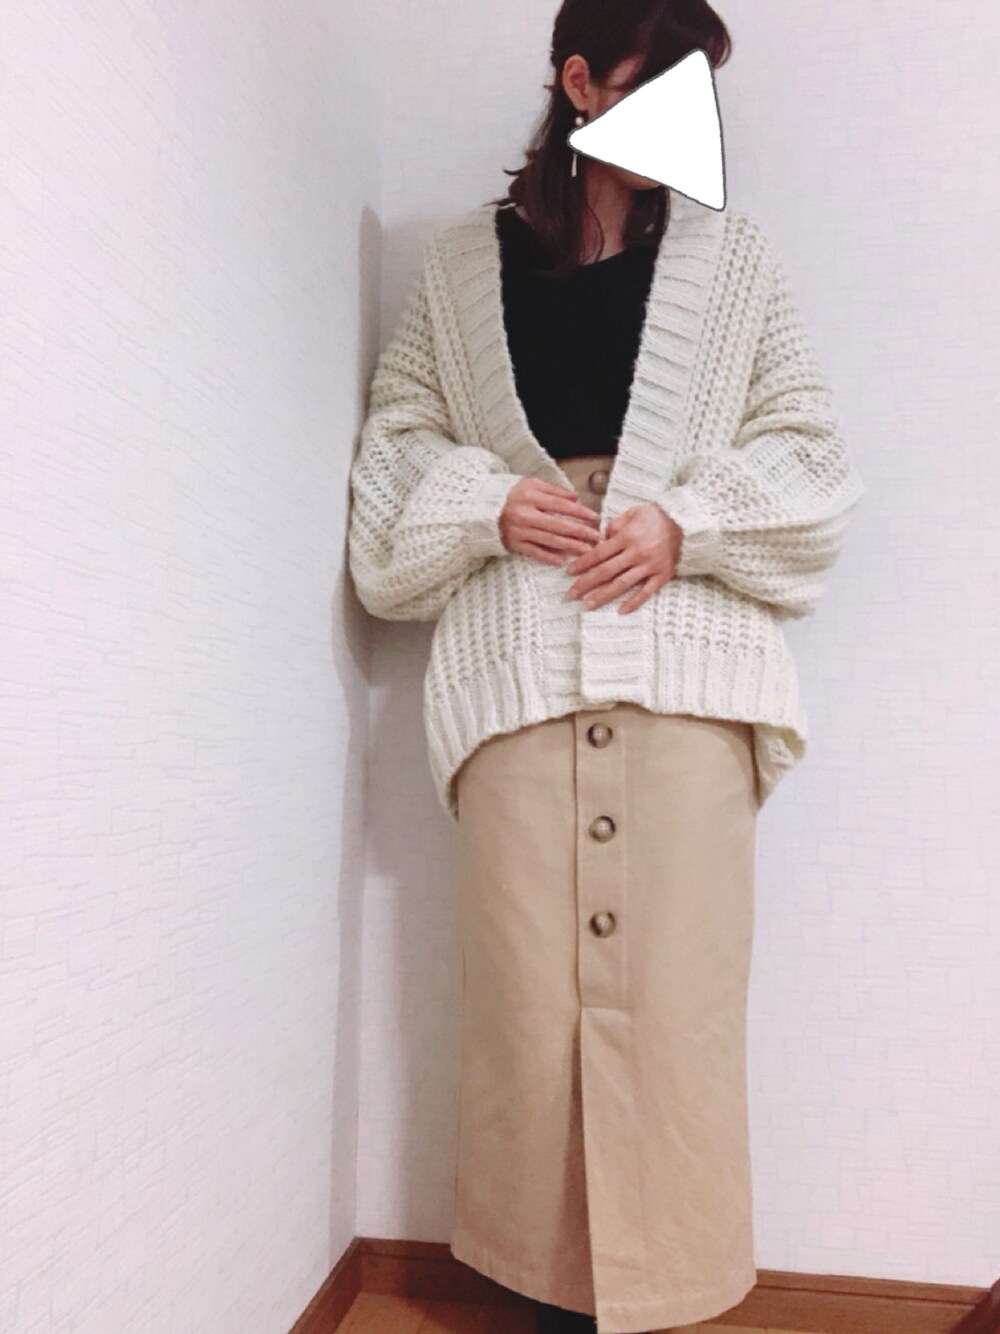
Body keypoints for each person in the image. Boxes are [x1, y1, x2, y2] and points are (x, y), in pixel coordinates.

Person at [347, 3, 865, 1331]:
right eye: (662, 80)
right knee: (528, 1012)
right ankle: (546, 1300)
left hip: (687, 687)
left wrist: (687, 522)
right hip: (518, 682)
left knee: (678, 1010)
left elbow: (813, 459)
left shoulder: (736, 265)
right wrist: (487, 505)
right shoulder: (462, 271)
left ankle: (667, 1295)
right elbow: (395, 450)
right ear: (580, 82)